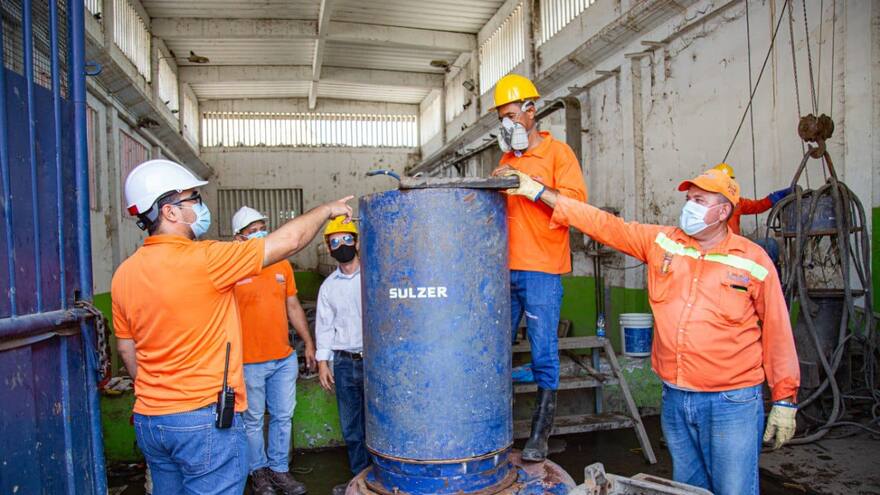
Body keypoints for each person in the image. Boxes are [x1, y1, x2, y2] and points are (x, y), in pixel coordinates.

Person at [502, 167, 800, 494]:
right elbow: (603, 224)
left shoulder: (753, 260)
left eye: (699, 200)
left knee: (734, 489)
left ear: (724, 211)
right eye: (688, 199)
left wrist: (785, 400)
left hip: (731, 402)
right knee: (686, 489)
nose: (689, 206)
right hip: (676, 397)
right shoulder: (663, 243)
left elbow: (777, 333)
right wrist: (536, 190)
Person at [112, 159, 352, 494]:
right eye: (193, 199)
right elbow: (291, 240)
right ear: (169, 212)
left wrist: (160, 396)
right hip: (203, 421)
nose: (200, 206)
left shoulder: (124, 274)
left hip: (152, 421)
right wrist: (327, 209)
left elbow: (126, 348)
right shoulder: (206, 259)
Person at [489, 73, 588, 461]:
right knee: (496, 350)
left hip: (542, 268)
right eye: (502, 118)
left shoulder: (558, 154)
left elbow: (576, 205)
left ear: (532, 111)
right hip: (504, 270)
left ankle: (539, 435)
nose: (507, 124)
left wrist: (529, 183)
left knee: (543, 352)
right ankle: (496, 431)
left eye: (512, 114)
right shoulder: (505, 159)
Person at [231, 206, 317, 495]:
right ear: (239, 238)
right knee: (253, 420)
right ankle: (258, 473)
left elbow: (293, 306)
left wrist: (308, 343)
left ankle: (279, 470)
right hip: (248, 361)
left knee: (283, 416)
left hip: (283, 358)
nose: (260, 233)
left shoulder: (282, 265)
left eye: (261, 227)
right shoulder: (231, 269)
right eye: (252, 230)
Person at [315, 217, 367, 495]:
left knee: (378, 421)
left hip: (374, 362)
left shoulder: (374, 277)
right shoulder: (328, 287)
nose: (342, 245)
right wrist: (323, 363)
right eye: (335, 242)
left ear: (357, 242)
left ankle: (380, 477)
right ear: (328, 247)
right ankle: (359, 478)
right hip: (345, 362)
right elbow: (324, 326)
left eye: (347, 239)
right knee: (351, 427)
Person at [712, 163, 792, 235]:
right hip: (718, 247)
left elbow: (757, 206)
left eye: (729, 181)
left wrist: (774, 198)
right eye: (723, 180)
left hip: (735, 245)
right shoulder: (707, 203)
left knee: (770, 245)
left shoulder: (737, 202)